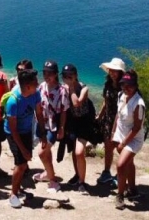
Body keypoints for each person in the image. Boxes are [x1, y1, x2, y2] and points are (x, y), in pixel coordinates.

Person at [4, 68, 45, 209]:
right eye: (35, 82)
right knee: (21, 164)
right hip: (14, 133)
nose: (38, 84)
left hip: (27, 130)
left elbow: (39, 113)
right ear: (27, 86)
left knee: (23, 163)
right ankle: (13, 194)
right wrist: (23, 149)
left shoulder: (35, 94)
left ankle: (18, 189)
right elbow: (13, 130)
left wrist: (43, 134)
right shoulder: (13, 102)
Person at [112, 70, 146, 210]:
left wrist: (124, 143)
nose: (126, 88)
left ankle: (120, 195)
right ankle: (132, 190)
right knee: (128, 163)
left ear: (136, 85)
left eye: (129, 85)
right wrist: (113, 132)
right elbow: (118, 115)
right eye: (123, 85)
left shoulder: (139, 104)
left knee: (120, 165)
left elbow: (137, 128)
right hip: (121, 134)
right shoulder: (121, 95)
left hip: (133, 139)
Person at [33, 60, 69, 193]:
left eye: (50, 73)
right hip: (41, 124)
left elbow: (64, 110)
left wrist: (62, 128)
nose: (46, 75)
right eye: (44, 72)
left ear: (55, 74)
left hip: (53, 126)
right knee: (47, 151)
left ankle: (53, 180)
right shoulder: (42, 86)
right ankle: (48, 173)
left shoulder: (62, 90)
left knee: (42, 152)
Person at [61, 63, 95, 195]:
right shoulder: (63, 88)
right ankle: (77, 175)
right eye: (64, 76)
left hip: (84, 123)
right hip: (72, 123)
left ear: (75, 76)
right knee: (74, 152)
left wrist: (71, 88)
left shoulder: (84, 88)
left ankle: (82, 182)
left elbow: (77, 103)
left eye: (70, 76)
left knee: (79, 152)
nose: (67, 78)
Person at [96, 57, 126, 186]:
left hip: (121, 122)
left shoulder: (124, 87)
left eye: (116, 71)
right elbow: (105, 101)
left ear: (120, 73)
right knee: (108, 147)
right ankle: (107, 172)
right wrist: (100, 116)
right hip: (109, 120)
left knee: (121, 149)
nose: (113, 73)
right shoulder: (108, 84)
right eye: (111, 70)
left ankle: (123, 174)